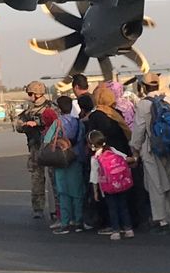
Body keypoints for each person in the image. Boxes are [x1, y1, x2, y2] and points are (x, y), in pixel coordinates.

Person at [131, 72, 170, 234]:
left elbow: (139, 129)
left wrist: (135, 148)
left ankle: (161, 220)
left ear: (143, 86)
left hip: (152, 148)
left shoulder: (143, 104)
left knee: (157, 185)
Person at [85, 84, 137, 235]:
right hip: (120, 157)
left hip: (105, 160)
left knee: (108, 197)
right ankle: (127, 225)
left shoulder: (96, 116)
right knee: (123, 194)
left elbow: (92, 136)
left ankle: (110, 224)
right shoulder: (116, 113)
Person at [14, 80, 58, 222]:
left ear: (36, 94)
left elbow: (57, 122)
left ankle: (56, 208)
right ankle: (38, 208)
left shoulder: (51, 107)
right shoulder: (29, 110)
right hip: (34, 147)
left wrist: (38, 123)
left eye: (30, 93)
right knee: (36, 179)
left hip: (49, 147)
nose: (29, 96)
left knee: (53, 179)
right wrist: (25, 125)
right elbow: (18, 124)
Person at [49, 95, 88, 234]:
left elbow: (47, 140)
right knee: (77, 192)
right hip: (76, 158)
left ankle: (65, 223)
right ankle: (79, 222)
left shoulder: (57, 123)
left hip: (61, 161)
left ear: (59, 109)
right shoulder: (79, 123)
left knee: (63, 192)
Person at [86, 130, 135, 239]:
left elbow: (94, 177)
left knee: (112, 208)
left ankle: (116, 230)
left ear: (91, 145)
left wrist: (95, 192)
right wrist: (135, 157)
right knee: (123, 206)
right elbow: (125, 158)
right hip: (121, 183)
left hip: (107, 187)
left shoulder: (95, 158)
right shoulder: (112, 150)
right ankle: (128, 229)